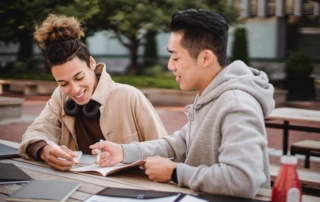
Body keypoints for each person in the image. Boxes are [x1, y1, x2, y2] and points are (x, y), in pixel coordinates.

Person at [90, 9, 275, 198]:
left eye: (176, 57)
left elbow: (243, 180)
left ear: (205, 58)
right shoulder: (211, 94)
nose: (170, 65)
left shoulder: (237, 104)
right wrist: (123, 152)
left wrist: (174, 172)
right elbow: (178, 145)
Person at [18, 14, 167, 171]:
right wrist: (44, 151)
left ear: (91, 63)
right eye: (63, 83)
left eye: (79, 77)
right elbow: (34, 133)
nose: (74, 90)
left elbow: (165, 149)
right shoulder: (60, 96)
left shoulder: (130, 96)